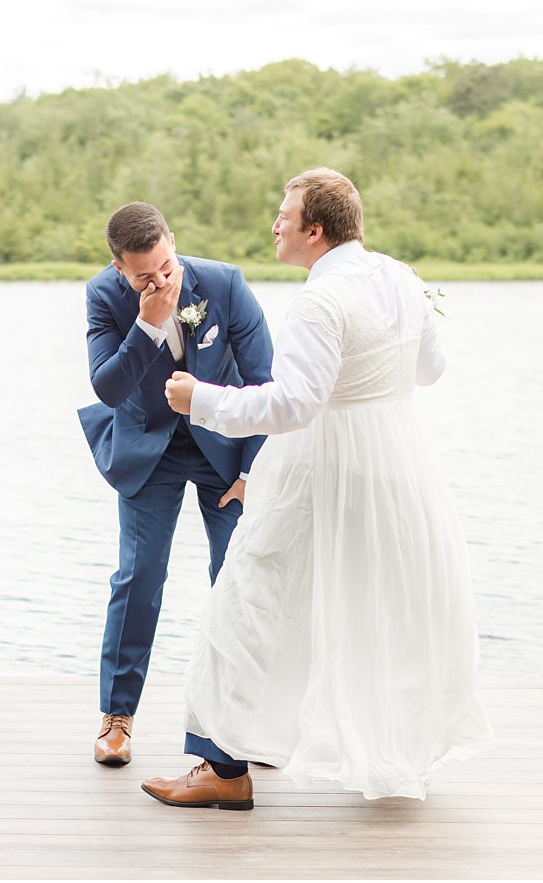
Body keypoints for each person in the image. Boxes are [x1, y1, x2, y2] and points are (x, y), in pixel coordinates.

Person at [142, 167, 493, 810]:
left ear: (315, 229)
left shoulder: (319, 299)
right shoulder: (401, 278)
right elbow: (431, 370)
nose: (273, 223)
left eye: (284, 213)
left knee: (249, 599)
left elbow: (295, 405)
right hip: (396, 463)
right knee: (383, 601)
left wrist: (202, 400)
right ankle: (385, 748)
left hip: (318, 464)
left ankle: (224, 768)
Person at [79, 201, 275, 766]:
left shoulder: (223, 283)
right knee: (139, 577)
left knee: (239, 580)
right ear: (121, 270)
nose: (161, 280)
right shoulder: (104, 297)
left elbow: (264, 382)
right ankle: (117, 718)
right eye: (145, 275)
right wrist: (146, 323)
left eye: (166, 267)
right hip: (150, 449)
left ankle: (247, 724)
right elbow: (109, 389)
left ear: (172, 242)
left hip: (226, 448)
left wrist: (248, 471)